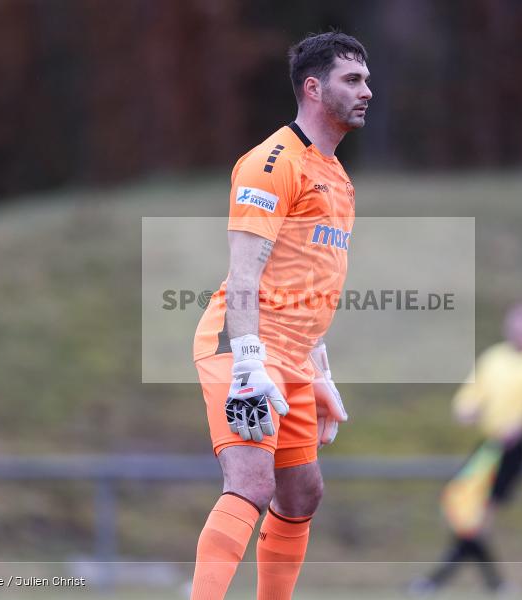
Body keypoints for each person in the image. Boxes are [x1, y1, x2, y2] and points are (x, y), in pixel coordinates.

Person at [189, 31, 371, 600]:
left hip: (290, 355)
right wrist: (247, 362)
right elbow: (244, 274)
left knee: (301, 495)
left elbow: (306, 280)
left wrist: (318, 366)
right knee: (250, 482)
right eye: (353, 80)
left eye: (366, 79)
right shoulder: (272, 162)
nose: (368, 91)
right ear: (313, 88)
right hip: (241, 346)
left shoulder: (337, 176)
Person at [410, 302, 522, 595]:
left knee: (475, 518)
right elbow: (471, 392)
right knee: (460, 509)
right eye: (515, 327)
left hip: (516, 449)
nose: (520, 334)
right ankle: (493, 585)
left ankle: (437, 582)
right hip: (488, 445)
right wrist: (466, 408)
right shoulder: (495, 358)